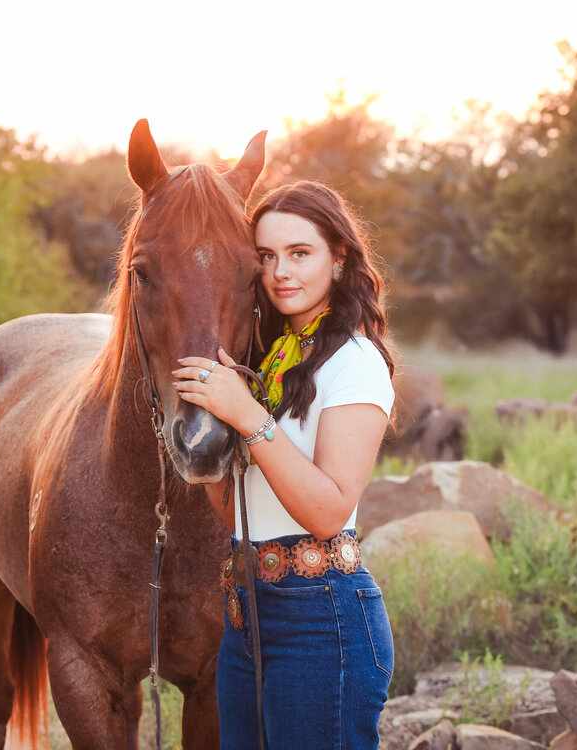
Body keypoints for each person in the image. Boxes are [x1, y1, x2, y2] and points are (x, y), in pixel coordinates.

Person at [172, 179, 396, 749]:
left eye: (300, 253)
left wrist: (248, 417)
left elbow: (326, 510)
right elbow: (239, 509)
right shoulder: (269, 366)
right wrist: (202, 442)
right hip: (246, 612)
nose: (281, 273)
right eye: (267, 257)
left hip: (321, 620)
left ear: (339, 257)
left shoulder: (355, 361)